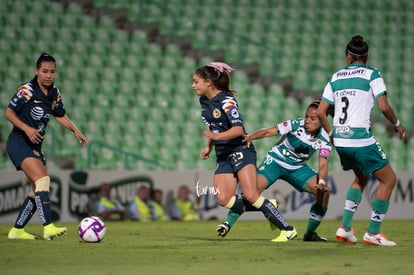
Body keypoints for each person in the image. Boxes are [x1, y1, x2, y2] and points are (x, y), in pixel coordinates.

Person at [316, 35, 406, 246]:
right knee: (389, 179)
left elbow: (321, 112)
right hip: (359, 138)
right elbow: (383, 106)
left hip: (341, 139)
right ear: (366, 56)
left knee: (362, 177)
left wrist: (332, 133)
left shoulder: (335, 77)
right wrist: (397, 123)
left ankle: (345, 227)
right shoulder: (372, 74)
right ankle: (373, 232)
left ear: (348, 56)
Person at [192, 62, 297, 242]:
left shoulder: (227, 101)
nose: (193, 85)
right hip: (223, 154)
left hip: (240, 149)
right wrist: (209, 145)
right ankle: (267, 205)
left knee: (251, 195)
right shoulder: (204, 101)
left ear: (208, 82)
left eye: (196, 81)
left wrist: (216, 138)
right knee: (222, 199)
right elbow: (214, 127)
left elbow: (238, 130)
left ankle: (288, 229)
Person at [217, 100, 332, 241]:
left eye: (312, 118)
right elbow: (268, 131)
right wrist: (251, 136)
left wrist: (321, 181)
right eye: (306, 116)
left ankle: (310, 234)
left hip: (297, 168)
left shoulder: (325, 139)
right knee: (251, 193)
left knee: (324, 192)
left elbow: (323, 164)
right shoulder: (296, 124)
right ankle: (228, 223)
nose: (307, 120)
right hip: (275, 162)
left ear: (322, 120)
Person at [6, 52, 88, 240]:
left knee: (37, 188)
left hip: (34, 147)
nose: (49, 75)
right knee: (43, 180)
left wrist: (75, 130)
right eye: (45, 71)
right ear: (37, 71)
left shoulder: (54, 93)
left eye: (52, 71)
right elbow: (9, 113)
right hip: (18, 142)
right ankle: (48, 226)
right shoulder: (26, 90)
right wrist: (27, 129)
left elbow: (59, 114)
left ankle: (17, 230)